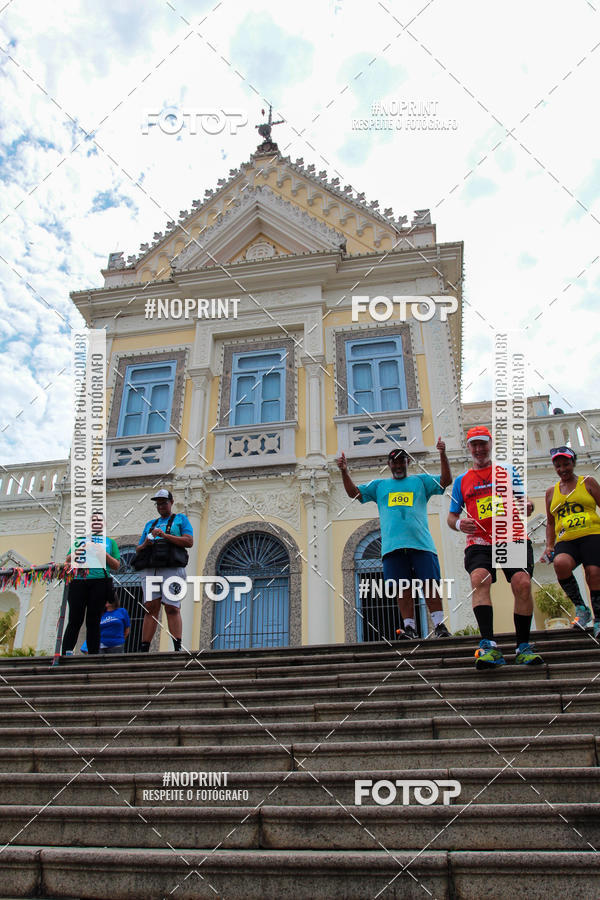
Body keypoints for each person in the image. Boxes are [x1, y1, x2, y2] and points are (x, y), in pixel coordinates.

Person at [337, 438, 452, 639]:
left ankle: (439, 625)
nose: (398, 465)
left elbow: (445, 481)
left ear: (408, 463)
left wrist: (443, 454)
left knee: (430, 584)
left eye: (402, 461)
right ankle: (410, 628)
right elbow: (354, 494)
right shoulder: (379, 485)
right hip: (393, 547)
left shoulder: (420, 481)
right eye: (394, 462)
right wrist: (344, 471)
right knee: (402, 588)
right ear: (389, 465)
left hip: (421, 544)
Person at [447, 425, 542, 669]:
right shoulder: (461, 481)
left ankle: (523, 646)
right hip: (480, 541)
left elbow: (523, 501)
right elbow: (451, 517)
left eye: (483, 444)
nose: (479, 449)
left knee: (521, 583)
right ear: (468, 448)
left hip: (511, 536)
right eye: (474, 445)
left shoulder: (508, 472)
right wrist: (459, 523)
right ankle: (488, 646)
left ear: (490, 445)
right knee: (480, 579)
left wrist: (528, 506)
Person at [542, 446, 600, 638]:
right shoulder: (551, 492)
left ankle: (598, 618)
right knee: (560, 564)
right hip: (566, 539)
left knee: (593, 573)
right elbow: (550, 522)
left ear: (573, 463)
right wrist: (550, 546)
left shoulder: (588, 482)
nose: (562, 469)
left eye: (566, 464)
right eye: (558, 465)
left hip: (591, 534)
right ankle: (581, 608)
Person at [136, 489, 193, 652]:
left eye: (164, 503)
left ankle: (177, 647)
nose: (161, 506)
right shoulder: (150, 524)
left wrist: (165, 535)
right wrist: (147, 542)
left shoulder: (181, 519)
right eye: (158, 504)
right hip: (152, 568)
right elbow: (138, 548)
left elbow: (189, 541)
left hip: (172, 568)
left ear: (171, 503)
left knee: (172, 607)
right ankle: (144, 648)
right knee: (151, 607)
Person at [62, 512, 121, 656]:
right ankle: (66, 652)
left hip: (100, 581)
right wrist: (79, 550)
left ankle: (93, 654)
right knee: (75, 619)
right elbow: (67, 561)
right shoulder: (80, 540)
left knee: (93, 620)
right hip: (78, 581)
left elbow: (116, 565)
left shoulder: (110, 542)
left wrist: (104, 553)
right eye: (93, 520)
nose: (96, 523)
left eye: (99, 521)